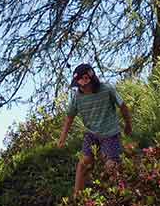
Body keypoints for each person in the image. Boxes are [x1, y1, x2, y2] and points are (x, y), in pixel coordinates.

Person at [56, 63, 133, 195]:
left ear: (90, 80)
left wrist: (128, 124)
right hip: (91, 134)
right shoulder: (77, 97)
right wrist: (63, 137)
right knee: (83, 164)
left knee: (111, 166)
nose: (81, 87)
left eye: (83, 84)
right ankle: (77, 199)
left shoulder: (107, 89)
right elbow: (69, 117)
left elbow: (123, 106)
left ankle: (121, 195)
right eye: (78, 85)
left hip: (110, 134)